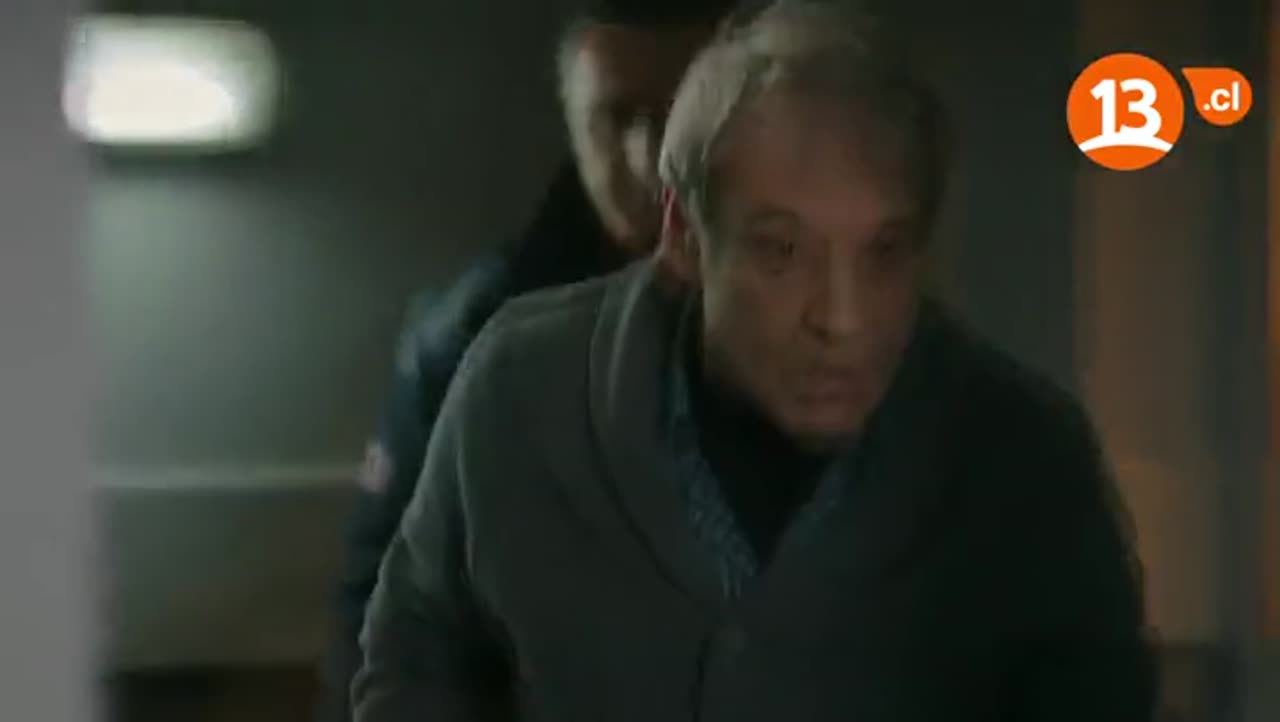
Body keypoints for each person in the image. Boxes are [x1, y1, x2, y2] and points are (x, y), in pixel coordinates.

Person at [353, 2, 1158, 721]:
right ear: (684, 235)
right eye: (781, 251)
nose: (841, 320)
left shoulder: (1027, 459)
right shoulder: (521, 390)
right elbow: (418, 652)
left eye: (884, 253)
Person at [313, 2, 737, 721]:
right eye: (616, 118)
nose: (649, 158)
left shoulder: (816, 325)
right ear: (574, 121)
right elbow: (378, 613)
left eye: (677, 116)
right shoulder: (475, 338)